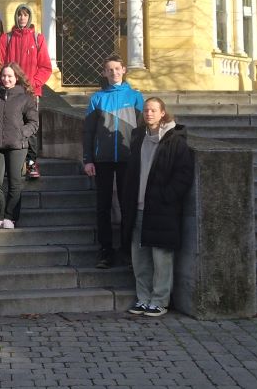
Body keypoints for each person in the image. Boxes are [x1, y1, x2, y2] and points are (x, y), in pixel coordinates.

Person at [123, 97, 194, 317]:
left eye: (153, 110)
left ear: (163, 113)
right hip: (138, 208)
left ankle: (160, 300)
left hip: (161, 209)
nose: (149, 113)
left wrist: (166, 197)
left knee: (161, 258)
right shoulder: (138, 137)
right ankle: (143, 298)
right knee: (140, 258)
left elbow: (184, 174)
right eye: (146, 110)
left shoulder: (175, 141)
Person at [82, 54, 144, 269]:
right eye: (109, 69)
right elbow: (88, 131)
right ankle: (105, 251)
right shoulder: (97, 98)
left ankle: (127, 249)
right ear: (104, 72)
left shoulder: (136, 97)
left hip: (128, 159)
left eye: (117, 68)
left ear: (124, 70)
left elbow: (142, 130)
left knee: (128, 205)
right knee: (103, 206)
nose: (114, 72)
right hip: (103, 160)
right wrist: (88, 159)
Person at [0, 4, 52, 179]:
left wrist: (32, 84)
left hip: (30, 92)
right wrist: (5, 83)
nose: (22, 18)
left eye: (25, 15)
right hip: (10, 90)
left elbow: (45, 67)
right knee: (9, 125)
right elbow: (0, 64)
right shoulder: (6, 38)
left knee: (30, 127)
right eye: (20, 15)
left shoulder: (38, 38)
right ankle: (11, 164)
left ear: (29, 17)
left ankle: (31, 163)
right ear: (16, 17)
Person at [0, 63, 38, 229]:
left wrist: (21, 133)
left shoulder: (26, 98)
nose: (6, 79)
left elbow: (33, 122)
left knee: (15, 182)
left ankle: (10, 217)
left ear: (16, 78)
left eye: (10, 76)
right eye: (4, 76)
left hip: (17, 146)